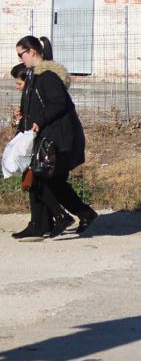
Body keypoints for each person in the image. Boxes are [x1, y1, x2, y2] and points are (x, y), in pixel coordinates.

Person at [13, 36, 95, 238]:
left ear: (32, 52)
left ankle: (58, 218)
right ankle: (46, 223)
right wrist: (22, 117)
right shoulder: (33, 76)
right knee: (46, 179)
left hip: (54, 137)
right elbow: (36, 106)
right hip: (40, 135)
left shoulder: (47, 76)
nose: (20, 59)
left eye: (20, 54)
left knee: (39, 177)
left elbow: (58, 104)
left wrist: (39, 121)